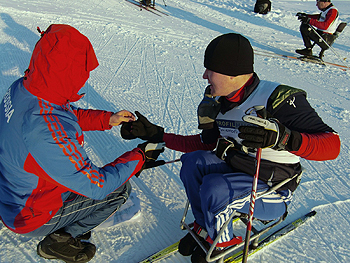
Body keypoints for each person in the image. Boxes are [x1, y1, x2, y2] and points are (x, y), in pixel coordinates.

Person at [121, 33, 341, 263]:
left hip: (273, 188)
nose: (204, 75)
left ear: (232, 72)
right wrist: (158, 135)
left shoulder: (277, 98)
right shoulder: (221, 100)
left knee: (215, 188)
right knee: (192, 163)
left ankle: (221, 247)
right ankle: (206, 229)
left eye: (210, 69)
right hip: (239, 169)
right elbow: (205, 145)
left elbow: (332, 145)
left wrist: (284, 138)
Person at [0, 24, 164, 263]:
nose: (83, 79)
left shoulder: (25, 88)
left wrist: (108, 119)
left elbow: (62, 115)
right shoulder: (45, 131)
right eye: (81, 71)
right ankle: (60, 241)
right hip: (28, 213)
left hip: (12, 188)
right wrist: (138, 157)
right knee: (118, 191)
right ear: (70, 71)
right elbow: (97, 186)